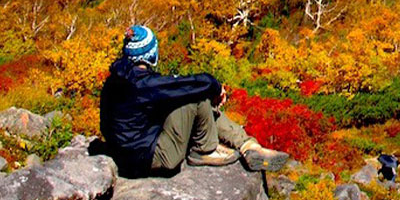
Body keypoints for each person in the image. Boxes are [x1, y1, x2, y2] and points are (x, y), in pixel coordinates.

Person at [99, 25, 289, 177]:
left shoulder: (117, 78)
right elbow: (201, 82)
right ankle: (204, 150)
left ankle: (247, 145)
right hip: (152, 157)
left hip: (128, 153)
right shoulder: (143, 84)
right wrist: (216, 87)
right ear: (151, 54)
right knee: (193, 95)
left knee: (183, 94)